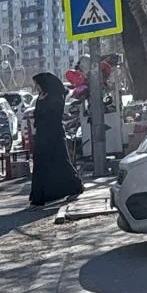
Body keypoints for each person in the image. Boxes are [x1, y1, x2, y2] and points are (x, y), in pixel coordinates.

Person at [29, 72, 85, 207]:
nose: (36, 87)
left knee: (60, 161)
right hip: (42, 134)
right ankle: (39, 195)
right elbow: (38, 113)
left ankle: (75, 186)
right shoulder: (40, 97)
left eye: (38, 83)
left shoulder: (56, 96)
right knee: (40, 164)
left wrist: (42, 114)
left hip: (54, 133)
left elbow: (54, 114)